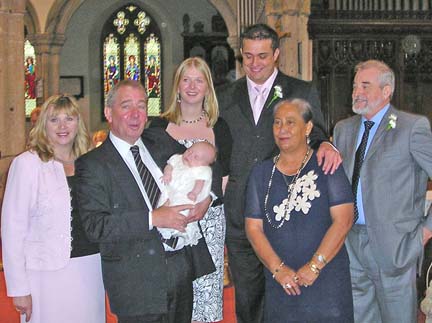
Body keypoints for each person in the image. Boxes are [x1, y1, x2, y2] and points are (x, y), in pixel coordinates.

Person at [217, 23, 341, 323]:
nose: (254, 64)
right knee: (247, 296)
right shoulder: (223, 95)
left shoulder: (300, 89)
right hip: (240, 211)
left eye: (261, 56)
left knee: (288, 292)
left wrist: (325, 143)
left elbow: (318, 130)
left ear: (276, 54)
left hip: (288, 211)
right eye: (247, 57)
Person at [74, 80, 214, 323]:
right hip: (136, 280)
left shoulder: (158, 140)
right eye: (126, 106)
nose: (136, 114)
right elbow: (96, 226)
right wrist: (153, 218)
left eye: (141, 106)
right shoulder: (93, 164)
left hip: (179, 267)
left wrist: (207, 199)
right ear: (109, 113)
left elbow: (207, 160)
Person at [333, 59, 432, 323]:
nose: (357, 92)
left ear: (387, 91)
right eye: (355, 86)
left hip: (396, 247)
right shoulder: (343, 129)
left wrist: (424, 233)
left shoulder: (412, 127)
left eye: (365, 86)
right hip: (351, 243)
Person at [244, 98, 354, 322]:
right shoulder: (261, 172)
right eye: (277, 123)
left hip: (326, 280)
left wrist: (315, 266)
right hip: (280, 283)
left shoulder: (327, 165)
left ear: (308, 127)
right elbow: (254, 228)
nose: (282, 129)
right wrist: (278, 270)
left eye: (291, 122)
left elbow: (344, 220)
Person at [1, 94, 105, 323]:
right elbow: (12, 229)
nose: (62, 126)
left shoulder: (90, 163)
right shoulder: (27, 164)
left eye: (69, 118)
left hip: (91, 268)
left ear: (78, 123)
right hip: (45, 276)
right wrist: (19, 288)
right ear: (42, 125)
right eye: (54, 119)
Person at [143, 56, 232, 323]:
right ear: (177, 85)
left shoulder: (219, 126)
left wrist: (208, 200)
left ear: (207, 87)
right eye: (186, 80)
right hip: (170, 220)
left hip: (209, 219)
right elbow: (151, 175)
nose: (192, 86)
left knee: (205, 296)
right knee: (174, 294)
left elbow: (225, 175)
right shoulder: (158, 125)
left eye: (199, 80)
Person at [159, 141, 217, 248]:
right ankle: (162, 227)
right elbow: (169, 166)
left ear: (204, 164)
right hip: (169, 190)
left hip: (185, 194)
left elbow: (200, 183)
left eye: (195, 157)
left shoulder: (202, 170)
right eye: (189, 151)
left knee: (183, 209)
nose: (189, 155)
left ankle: (178, 231)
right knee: (162, 203)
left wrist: (194, 192)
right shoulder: (177, 159)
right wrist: (167, 174)